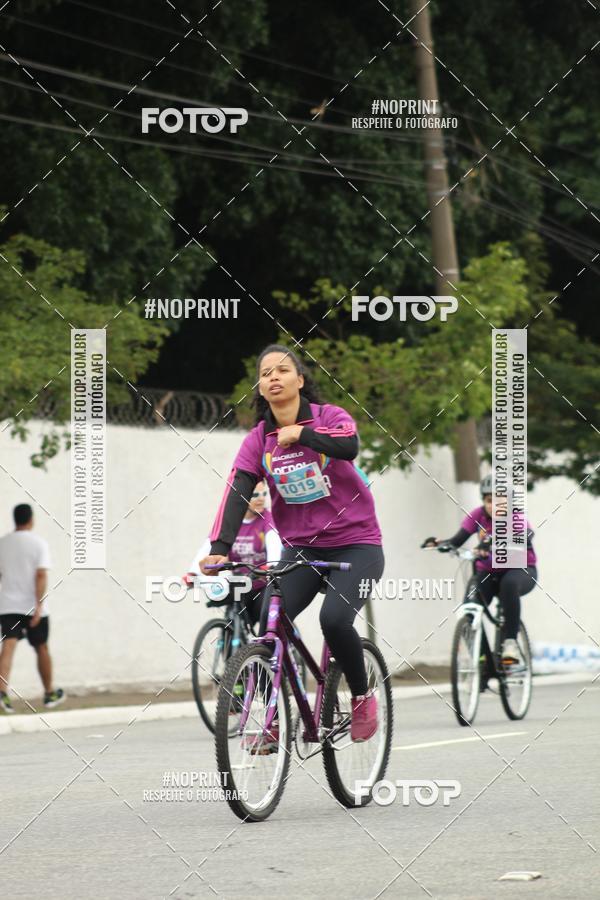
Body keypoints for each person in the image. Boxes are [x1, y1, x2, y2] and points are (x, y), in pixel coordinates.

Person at [200, 344, 385, 744]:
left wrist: (303, 434)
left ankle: (361, 695)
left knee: (334, 620)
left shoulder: (329, 417)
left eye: (283, 370)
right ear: (260, 387)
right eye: (265, 373)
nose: (273, 377)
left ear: (300, 380)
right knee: (270, 620)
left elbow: (349, 445)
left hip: (357, 545)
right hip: (303, 549)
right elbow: (237, 491)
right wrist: (220, 547)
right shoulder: (258, 440)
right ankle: (273, 717)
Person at [423, 474, 537, 666]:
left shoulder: (516, 517)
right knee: (469, 607)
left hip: (520, 570)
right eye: (489, 501)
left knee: (509, 585)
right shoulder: (478, 516)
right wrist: (440, 543)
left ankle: (510, 644)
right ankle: (482, 660)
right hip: (489, 573)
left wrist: (492, 541)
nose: (494, 506)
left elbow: (526, 534)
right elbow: (457, 540)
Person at [187, 480, 282, 628]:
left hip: (262, 584)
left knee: (265, 618)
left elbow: (274, 541)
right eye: (254, 495)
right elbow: (208, 547)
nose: (261, 499)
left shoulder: (267, 519)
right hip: (239, 585)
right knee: (232, 621)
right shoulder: (231, 522)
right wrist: (193, 573)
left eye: (264, 494)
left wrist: (272, 565)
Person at [0, 504, 65, 712]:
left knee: (8, 646)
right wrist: (38, 605)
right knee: (41, 647)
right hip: (32, 606)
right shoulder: (39, 543)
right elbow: (41, 575)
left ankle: (1, 693)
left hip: (8, 605)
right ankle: (49, 694)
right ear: (31, 520)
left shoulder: (3, 544)